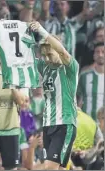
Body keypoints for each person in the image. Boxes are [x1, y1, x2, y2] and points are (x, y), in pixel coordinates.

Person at [28, 21, 79, 170]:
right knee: (58, 168)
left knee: (49, 167)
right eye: (44, 55)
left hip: (65, 123)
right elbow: (27, 57)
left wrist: (42, 31)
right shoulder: (44, 67)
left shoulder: (69, 68)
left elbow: (62, 52)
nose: (47, 58)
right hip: (47, 125)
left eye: (50, 54)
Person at [77, 42, 104, 122]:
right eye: (97, 52)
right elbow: (78, 99)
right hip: (87, 122)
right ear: (94, 55)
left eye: (103, 52)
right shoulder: (84, 76)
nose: (100, 55)